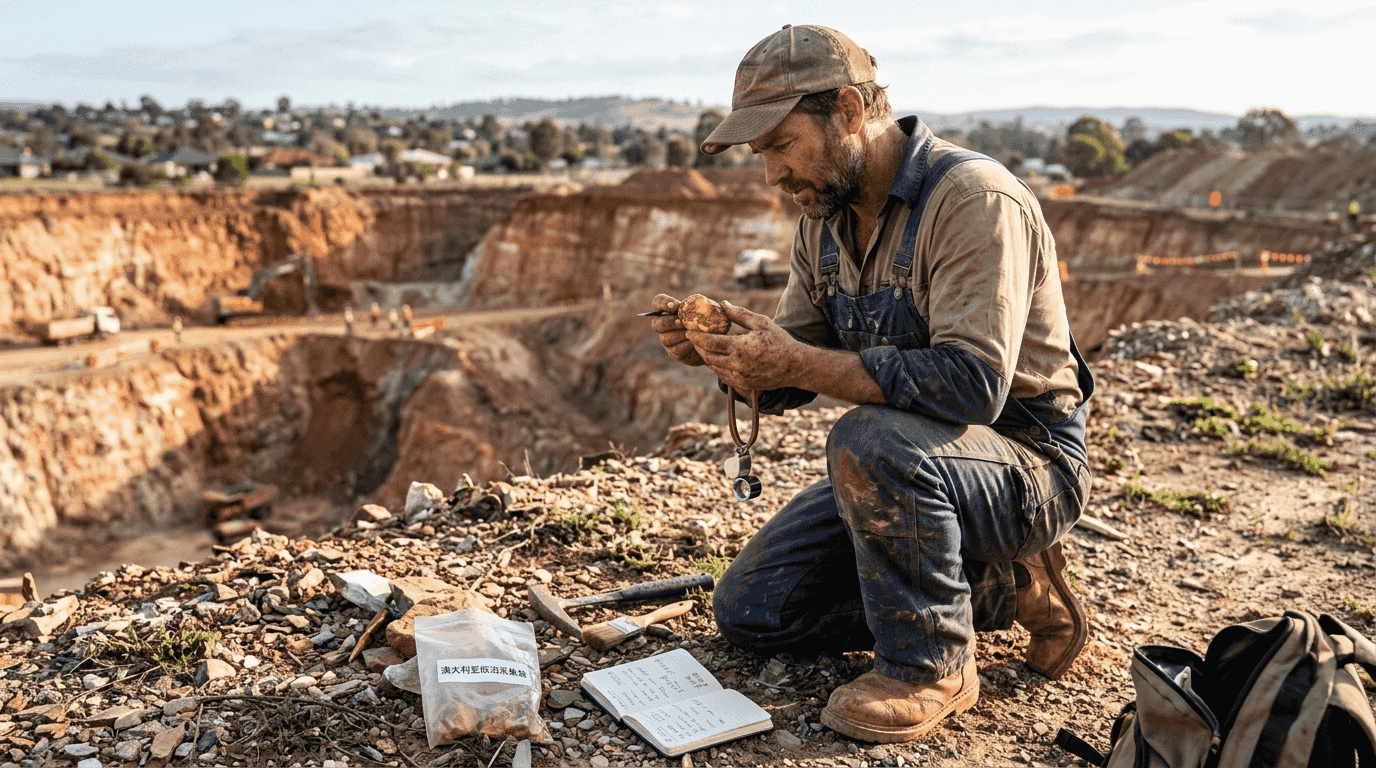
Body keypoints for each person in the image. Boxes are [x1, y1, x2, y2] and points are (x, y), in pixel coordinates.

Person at [650, 24, 1093, 743]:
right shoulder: (822, 221)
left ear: (850, 112)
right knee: (753, 610)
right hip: (909, 468)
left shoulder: (973, 200)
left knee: (869, 437)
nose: (772, 175)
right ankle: (1008, 587)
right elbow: (798, 365)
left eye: (781, 145)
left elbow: (973, 385)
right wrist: (728, 356)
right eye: (762, 154)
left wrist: (794, 362)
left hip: (1028, 466)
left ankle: (930, 666)